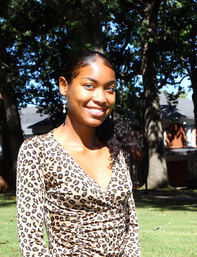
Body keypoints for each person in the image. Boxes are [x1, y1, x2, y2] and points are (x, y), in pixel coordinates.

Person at [16, 50, 141, 256]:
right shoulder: (37, 151)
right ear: (64, 86)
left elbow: (131, 226)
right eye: (89, 86)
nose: (101, 98)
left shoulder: (115, 150)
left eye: (109, 89)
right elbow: (31, 240)